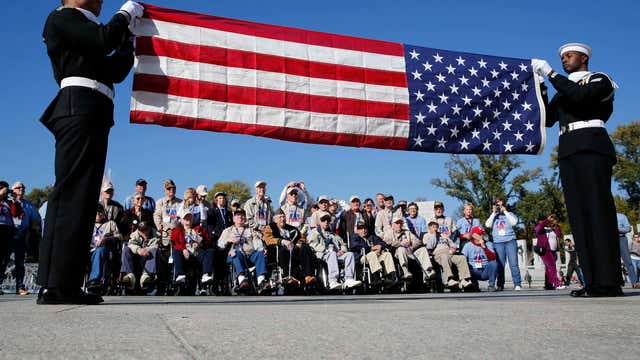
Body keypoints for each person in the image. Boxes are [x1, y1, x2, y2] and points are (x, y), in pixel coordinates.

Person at [37, 0, 143, 304]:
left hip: (95, 108)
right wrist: (124, 15)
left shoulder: (86, 33)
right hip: (78, 104)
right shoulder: (63, 17)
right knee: (70, 194)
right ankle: (53, 283)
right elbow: (102, 38)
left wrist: (129, 42)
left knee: (83, 199)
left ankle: (67, 282)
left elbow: (113, 69)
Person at [533, 43, 622, 297]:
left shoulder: (599, 79)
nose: (564, 60)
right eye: (561, 57)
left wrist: (551, 75)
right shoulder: (565, 89)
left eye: (568, 56)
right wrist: (540, 87)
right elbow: (549, 118)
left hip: (592, 146)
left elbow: (581, 97)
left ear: (583, 57)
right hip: (569, 150)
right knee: (579, 217)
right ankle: (593, 281)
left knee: (598, 211)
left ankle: (609, 282)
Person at [218, 209, 269, 293]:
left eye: (242, 215)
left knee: (260, 254)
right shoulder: (228, 230)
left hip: (250, 255)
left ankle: (261, 282)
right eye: (237, 215)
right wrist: (229, 239)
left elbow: (257, 242)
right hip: (235, 257)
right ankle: (242, 280)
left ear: (245, 218)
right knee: (235, 253)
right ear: (233, 218)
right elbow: (220, 244)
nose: (240, 217)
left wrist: (262, 249)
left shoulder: (251, 230)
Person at [307, 214, 362, 290]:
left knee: (350, 254)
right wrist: (326, 249)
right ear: (319, 222)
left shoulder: (333, 234)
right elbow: (312, 244)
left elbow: (343, 244)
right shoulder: (315, 232)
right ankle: (333, 280)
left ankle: (349, 279)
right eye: (323, 220)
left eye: (328, 221)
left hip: (337, 254)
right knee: (332, 254)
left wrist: (342, 250)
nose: (326, 222)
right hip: (323, 255)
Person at [263, 209, 316, 286]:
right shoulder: (270, 227)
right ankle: (288, 277)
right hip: (279, 251)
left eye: (284, 217)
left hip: (295, 250)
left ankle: (308, 276)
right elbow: (268, 240)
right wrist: (282, 241)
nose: (283, 219)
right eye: (280, 217)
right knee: (284, 251)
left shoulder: (292, 228)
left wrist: (299, 242)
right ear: (275, 219)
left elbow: (301, 237)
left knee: (305, 248)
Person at [383, 214, 435, 281]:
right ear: (392, 225)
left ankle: (428, 271)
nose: (399, 225)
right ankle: (405, 272)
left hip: (410, 251)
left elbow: (418, 241)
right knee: (401, 249)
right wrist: (400, 243)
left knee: (423, 249)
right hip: (398, 253)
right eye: (396, 223)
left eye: (400, 223)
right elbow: (386, 242)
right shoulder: (389, 232)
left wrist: (412, 245)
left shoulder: (407, 232)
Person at [9, 182, 40, 295]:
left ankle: (20, 286)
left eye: (23, 187)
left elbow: (36, 220)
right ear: (13, 190)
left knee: (20, 262)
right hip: (8, 234)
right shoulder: (7, 202)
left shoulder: (29, 204)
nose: (21, 189)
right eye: (18, 187)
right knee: (3, 261)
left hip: (22, 235)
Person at [484, 197, 521, 291]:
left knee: (514, 263)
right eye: (497, 204)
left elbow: (514, 222)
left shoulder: (510, 214)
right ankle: (500, 284)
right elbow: (487, 225)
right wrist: (493, 213)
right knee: (500, 265)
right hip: (498, 242)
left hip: (510, 241)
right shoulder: (494, 216)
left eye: (501, 204)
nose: (499, 206)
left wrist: (505, 212)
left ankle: (517, 284)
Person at [170, 209, 214, 286]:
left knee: (210, 251)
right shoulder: (177, 230)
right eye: (186, 218)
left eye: (190, 217)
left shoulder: (198, 229)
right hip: (183, 252)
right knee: (176, 251)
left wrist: (200, 244)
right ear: (182, 220)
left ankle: (205, 274)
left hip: (196, 252)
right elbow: (174, 243)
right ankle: (180, 275)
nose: (188, 219)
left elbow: (208, 240)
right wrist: (183, 249)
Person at [424, 221, 473, 289]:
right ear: (429, 228)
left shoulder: (443, 235)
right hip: (438, 255)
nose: (435, 228)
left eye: (436, 227)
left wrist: (453, 248)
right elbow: (429, 247)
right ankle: (450, 279)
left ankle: (464, 279)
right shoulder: (427, 235)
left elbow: (452, 243)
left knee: (461, 258)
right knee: (444, 256)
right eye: (433, 227)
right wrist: (434, 235)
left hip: (449, 253)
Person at [349, 222, 397, 287]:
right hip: (362, 257)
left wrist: (380, 246)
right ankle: (376, 277)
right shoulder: (354, 237)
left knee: (387, 254)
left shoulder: (372, 237)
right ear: (357, 230)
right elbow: (355, 246)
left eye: (365, 228)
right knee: (372, 254)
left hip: (375, 257)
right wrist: (371, 248)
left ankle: (389, 276)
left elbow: (384, 243)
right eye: (360, 229)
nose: (363, 230)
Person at [88, 204, 122, 291]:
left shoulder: (110, 224)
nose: (98, 215)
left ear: (103, 213)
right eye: (96, 213)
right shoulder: (86, 224)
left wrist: (106, 239)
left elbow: (119, 237)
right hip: (88, 250)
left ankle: (94, 280)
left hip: (104, 250)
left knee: (100, 250)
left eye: (100, 213)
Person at [120, 221, 161, 291]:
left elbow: (156, 245)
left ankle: (146, 276)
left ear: (150, 228)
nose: (144, 232)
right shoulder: (134, 235)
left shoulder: (156, 234)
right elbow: (130, 244)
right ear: (139, 231)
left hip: (149, 255)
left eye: (146, 230)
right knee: (126, 249)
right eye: (142, 231)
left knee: (154, 250)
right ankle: (130, 276)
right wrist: (138, 250)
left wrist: (146, 249)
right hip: (137, 255)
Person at [0, 181, 22, 295]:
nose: (6, 192)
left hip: (8, 231)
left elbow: (16, 213)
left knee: (4, 259)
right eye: (5, 189)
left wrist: (14, 200)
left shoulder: (8, 202)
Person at [461, 227, 498, 291]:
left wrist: (484, 247)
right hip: (473, 270)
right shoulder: (468, 245)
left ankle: (491, 286)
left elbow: (493, 257)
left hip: (485, 270)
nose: (481, 236)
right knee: (464, 264)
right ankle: (473, 285)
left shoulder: (488, 244)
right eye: (479, 234)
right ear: (473, 235)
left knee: (493, 263)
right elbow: (462, 258)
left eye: (482, 234)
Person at [534, 215, 566, 290]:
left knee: (549, 268)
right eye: (543, 220)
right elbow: (538, 228)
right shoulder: (540, 228)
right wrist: (547, 220)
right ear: (540, 221)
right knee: (552, 266)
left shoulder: (551, 229)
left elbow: (558, 234)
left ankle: (548, 284)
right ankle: (557, 284)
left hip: (553, 251)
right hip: (545, 251)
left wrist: (556, 225)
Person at [153, 180, 183, 247]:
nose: (171, 190)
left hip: (178, 232)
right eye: (169, 188)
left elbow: (183, 217)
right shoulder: (160, 202)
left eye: (173, 188)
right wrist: (160, 229)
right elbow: (157, 216)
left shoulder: (181, 202)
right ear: (164, 190)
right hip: (165, 232)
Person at [617, 213, 639, 288]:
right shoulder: (603, 216)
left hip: (621, 239)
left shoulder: (621, 216)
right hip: (608, 239)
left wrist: (618, 229)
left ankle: (635, 282)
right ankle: (616, 283)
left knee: (628, 261)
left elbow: (628, 228)